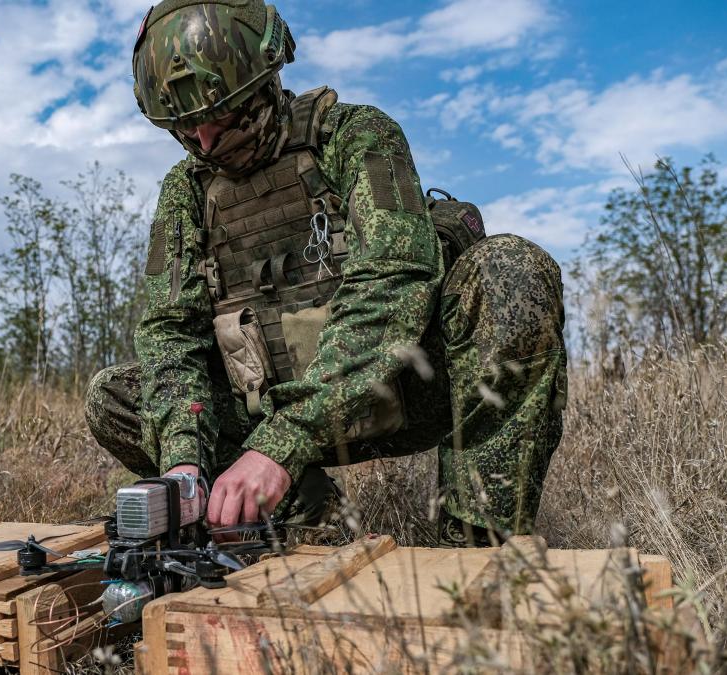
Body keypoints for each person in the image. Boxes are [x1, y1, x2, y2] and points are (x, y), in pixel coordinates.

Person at [85, 0, 567, 546]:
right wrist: (183, 460)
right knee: (116, 395)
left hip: (408, 391)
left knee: (511, 271)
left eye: (216, 119)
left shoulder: (356, 136)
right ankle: (310, 517)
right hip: (266, 411)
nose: (203, 142)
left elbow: (393, 283)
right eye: (185, 127)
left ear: (260, 86)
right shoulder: (186, 193)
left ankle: (479, 541)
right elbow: (171, 334)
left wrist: (284, 442)